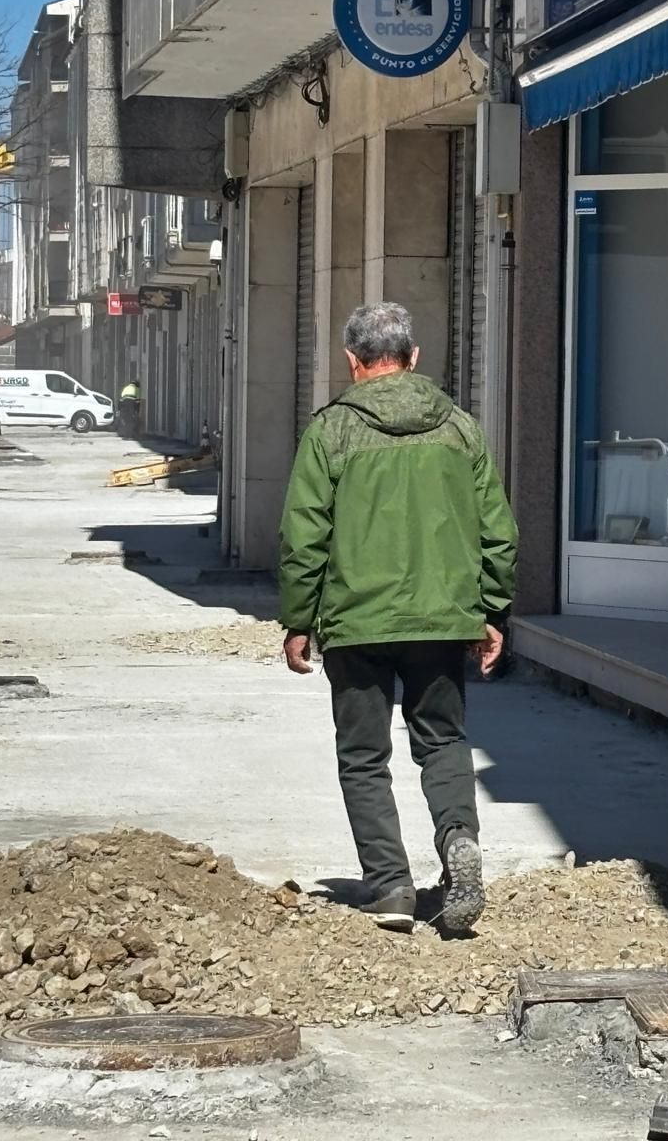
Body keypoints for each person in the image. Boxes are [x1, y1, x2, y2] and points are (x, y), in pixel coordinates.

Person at [279, 302, 518, 935]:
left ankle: (389, 887)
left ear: (353, 362)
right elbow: (498, 531)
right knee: (441, 739)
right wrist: (491, 610)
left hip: (357, 622)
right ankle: (458, 838)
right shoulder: (461, 429)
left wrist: (298, 617)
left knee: (363, 755)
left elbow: (305, 535)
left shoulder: (331, 432)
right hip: (442, 620)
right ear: (413, 358)